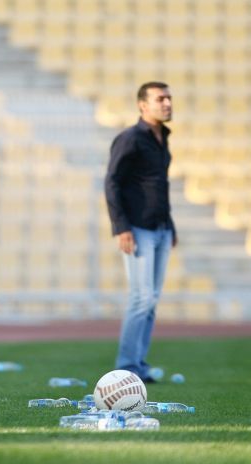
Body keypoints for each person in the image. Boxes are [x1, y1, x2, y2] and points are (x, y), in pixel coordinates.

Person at [104, 81, 176, 383]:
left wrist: (170, 225)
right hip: (138, 228)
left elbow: (159, 186)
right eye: (161, 99)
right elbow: (112, 183)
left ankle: (139, 364)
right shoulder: (130, 138)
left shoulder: (162, 138)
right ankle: (127, 367)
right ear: (142, 105)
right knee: (141, 298)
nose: (167, 103)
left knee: (151, 299)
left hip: (161, 228)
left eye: (169, 98)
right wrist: (121, 226)